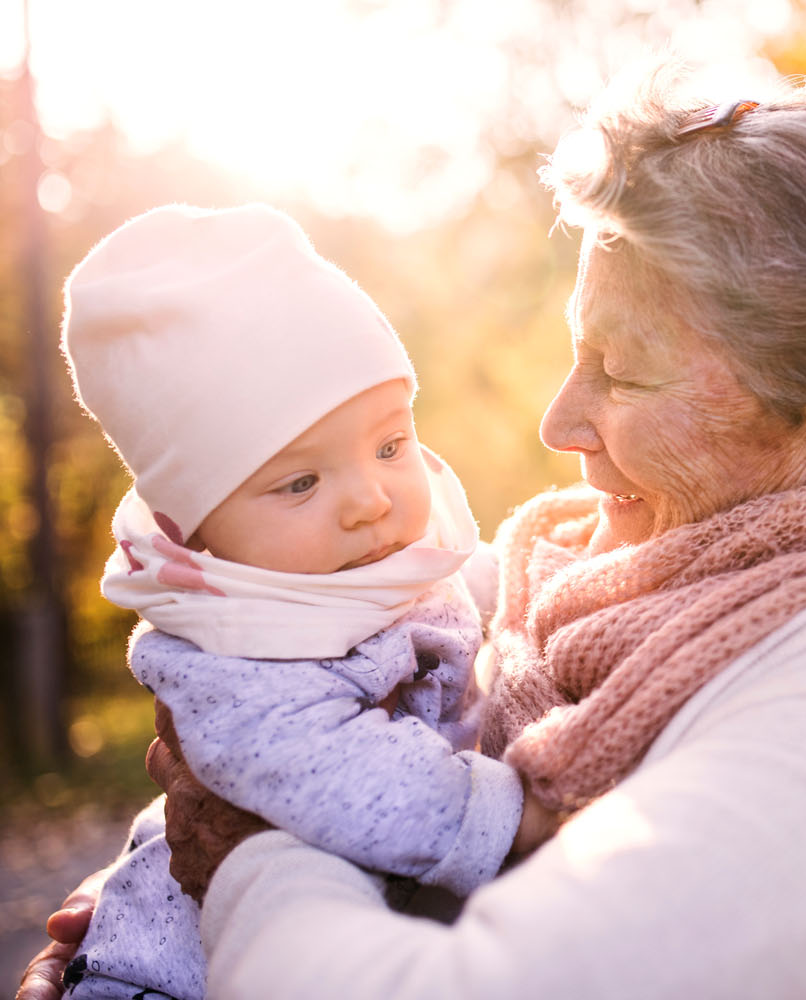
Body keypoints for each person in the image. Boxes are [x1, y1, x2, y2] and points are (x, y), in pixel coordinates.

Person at [21, 69, 806, 1000]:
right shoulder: (572, 578)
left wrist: (244, 862)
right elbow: (287, 694)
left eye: (625, 372)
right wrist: (146, 914)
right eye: (574, 356)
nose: (559, 422)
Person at [44, 204, 546, 1000]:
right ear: (195, 528)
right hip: (173, 976)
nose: (370, 500)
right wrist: (505, 816)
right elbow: (331, 768)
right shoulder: (234, 650)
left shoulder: (361, 562)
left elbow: (478, 592)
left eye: (390, 445)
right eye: (301, 482)